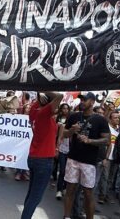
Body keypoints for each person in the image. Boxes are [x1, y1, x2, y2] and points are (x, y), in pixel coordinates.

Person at [62, 92, 110, 219]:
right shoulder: (73, 116)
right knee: (70, 190)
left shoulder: (100, 119)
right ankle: (66, 217)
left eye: (85, 99)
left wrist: (90, 141)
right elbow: (65, 134)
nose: (82, 101)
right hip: (73, 158)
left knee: (88, 194)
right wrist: (72, 130)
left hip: (89, 162)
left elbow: (106, 140)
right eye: (81, 99)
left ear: (93, 102)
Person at [21, 91, 63, 219]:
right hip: (43, 160)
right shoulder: (44, 113)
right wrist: (46, 89)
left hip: (35, 158)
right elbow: (60, 96)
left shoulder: (34, 110)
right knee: (35, 197)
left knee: (31, 194)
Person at [56, 103, 71, 200]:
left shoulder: (74, 126)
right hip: (62, 149)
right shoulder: (61, 124)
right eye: (64, 108)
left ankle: (65, 187)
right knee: (62, 170)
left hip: (71, 151)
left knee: (68, 171)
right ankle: (59, 190)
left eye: (67, 109)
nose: (65, 110)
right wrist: (57, 148)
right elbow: (59, 137)